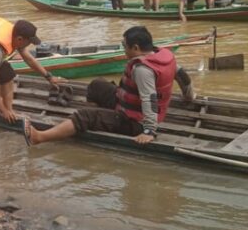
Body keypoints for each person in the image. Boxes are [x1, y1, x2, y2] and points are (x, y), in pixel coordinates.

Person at [24, 26, 195, 147]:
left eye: (124, 46)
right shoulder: (163, 56)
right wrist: (189, 97)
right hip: (128, 104)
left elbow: (149, 99)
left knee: (85, 116)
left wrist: (149, 131)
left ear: (135, 48)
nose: (124, 49)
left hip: (135, 121)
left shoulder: (143, 70)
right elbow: (182, 76)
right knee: (97, 85)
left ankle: (39, 137)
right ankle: (103, 117)